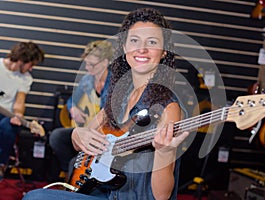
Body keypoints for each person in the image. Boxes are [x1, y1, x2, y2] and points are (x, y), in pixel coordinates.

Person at [23, 7, 190, 200]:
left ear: (163, 52)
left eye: (152, 42)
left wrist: (165, 151)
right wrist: (78, 134)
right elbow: (87, 134)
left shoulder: (168, 107)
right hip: (104, 190)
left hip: (130, 197)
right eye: (134, 40)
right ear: (125, 48)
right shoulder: (121, 94)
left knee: (36, 197)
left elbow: (162, 196)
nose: (142, 49)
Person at [49, 40, 113, 179]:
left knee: (74, 163)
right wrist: (73, 109)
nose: (87, 67)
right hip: (86, 130)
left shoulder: (115, 83)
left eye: (91, 64)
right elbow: (71, 100)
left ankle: (75, 173)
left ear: (105, 62)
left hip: (103, 136)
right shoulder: (86, 79)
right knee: (56, 136)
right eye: (86, 63)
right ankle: (68, 172)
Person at [0, 41, 44, 179]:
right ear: (22, 60)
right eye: (31, 64)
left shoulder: (25, 78)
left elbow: (19, 103)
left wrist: (18, 116)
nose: (31, 69)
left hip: (5, 116)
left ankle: (1, 164)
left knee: (8, 126)